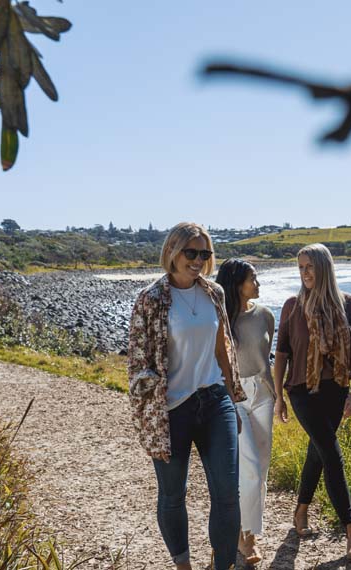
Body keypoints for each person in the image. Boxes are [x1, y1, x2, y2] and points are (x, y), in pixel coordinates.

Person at [127, 222, 245, 570]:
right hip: (171, 407)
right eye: (190, 253)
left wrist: (234, 400)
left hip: (214, 400)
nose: (197, 260)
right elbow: (137, 360)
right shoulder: (151, 298)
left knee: (227, 493)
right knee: (173, 494)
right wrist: (150, 409)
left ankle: (222, 566)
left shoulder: (215, 294)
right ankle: (183, 565)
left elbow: (223, 349)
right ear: (172, 252)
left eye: (204, 254)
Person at [273, 243, 351, 560]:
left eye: (310, 266)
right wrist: (278, 398)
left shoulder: (347, 304)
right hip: (301, 390)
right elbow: (282, 353)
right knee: (331, 453)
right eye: (300, 268)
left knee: (317, 452)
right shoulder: (292, 306)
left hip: (337, 389)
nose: (305, 273)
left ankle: (300, 511)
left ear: (324, 268)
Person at [215, 259, 275, 565]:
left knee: (260, 469)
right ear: (238, 284)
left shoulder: (266, 316)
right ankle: (244, 535)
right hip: (234, 395)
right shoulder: (221, 319)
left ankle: (249, 528)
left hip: (264, 395)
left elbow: (266, 359)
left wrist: (279, 397)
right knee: (249, 468)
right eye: (254, 279)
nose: (259, 283)